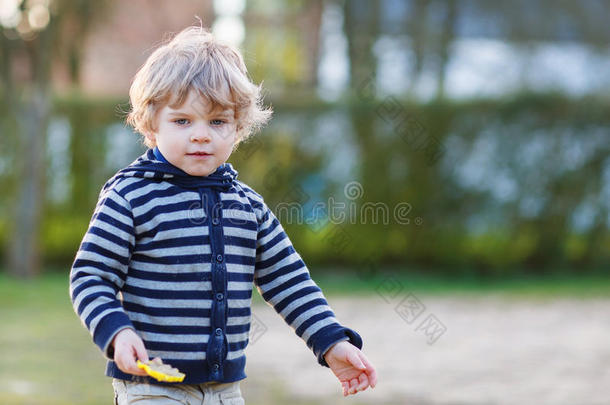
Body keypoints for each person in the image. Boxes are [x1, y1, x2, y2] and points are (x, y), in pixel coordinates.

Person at [69, 25, 377, 404]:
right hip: (150, 385)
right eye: (182, 121)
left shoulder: (248, 207)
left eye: (217, 122)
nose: (201, 135)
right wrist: (116, 331)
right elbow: (90, 276)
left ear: (238, 128)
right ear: (152, 123)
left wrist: (330, 340)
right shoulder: (131, 197)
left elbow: (289, 280)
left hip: (224, 391)